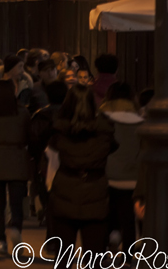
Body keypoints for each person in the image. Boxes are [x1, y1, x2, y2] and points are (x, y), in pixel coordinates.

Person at [45, 84, 116, 253]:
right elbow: (112, 148)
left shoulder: (59, 131)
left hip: (65, 192)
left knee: (63, 256)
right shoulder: (104, 131)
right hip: (95, 193)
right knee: (94, 256)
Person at [0, 77, 32, 255]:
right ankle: (16, 231)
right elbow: (28, 135)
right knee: (16, 202)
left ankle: (0, 240)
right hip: (17, 157)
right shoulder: (22, 112)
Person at [99, 82, 141, 253]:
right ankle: (128, 256)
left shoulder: (102, 117)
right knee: (129, 219)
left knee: (104, 215)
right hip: (132, 177)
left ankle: (104, 248)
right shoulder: (141, 120)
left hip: (106, 174)